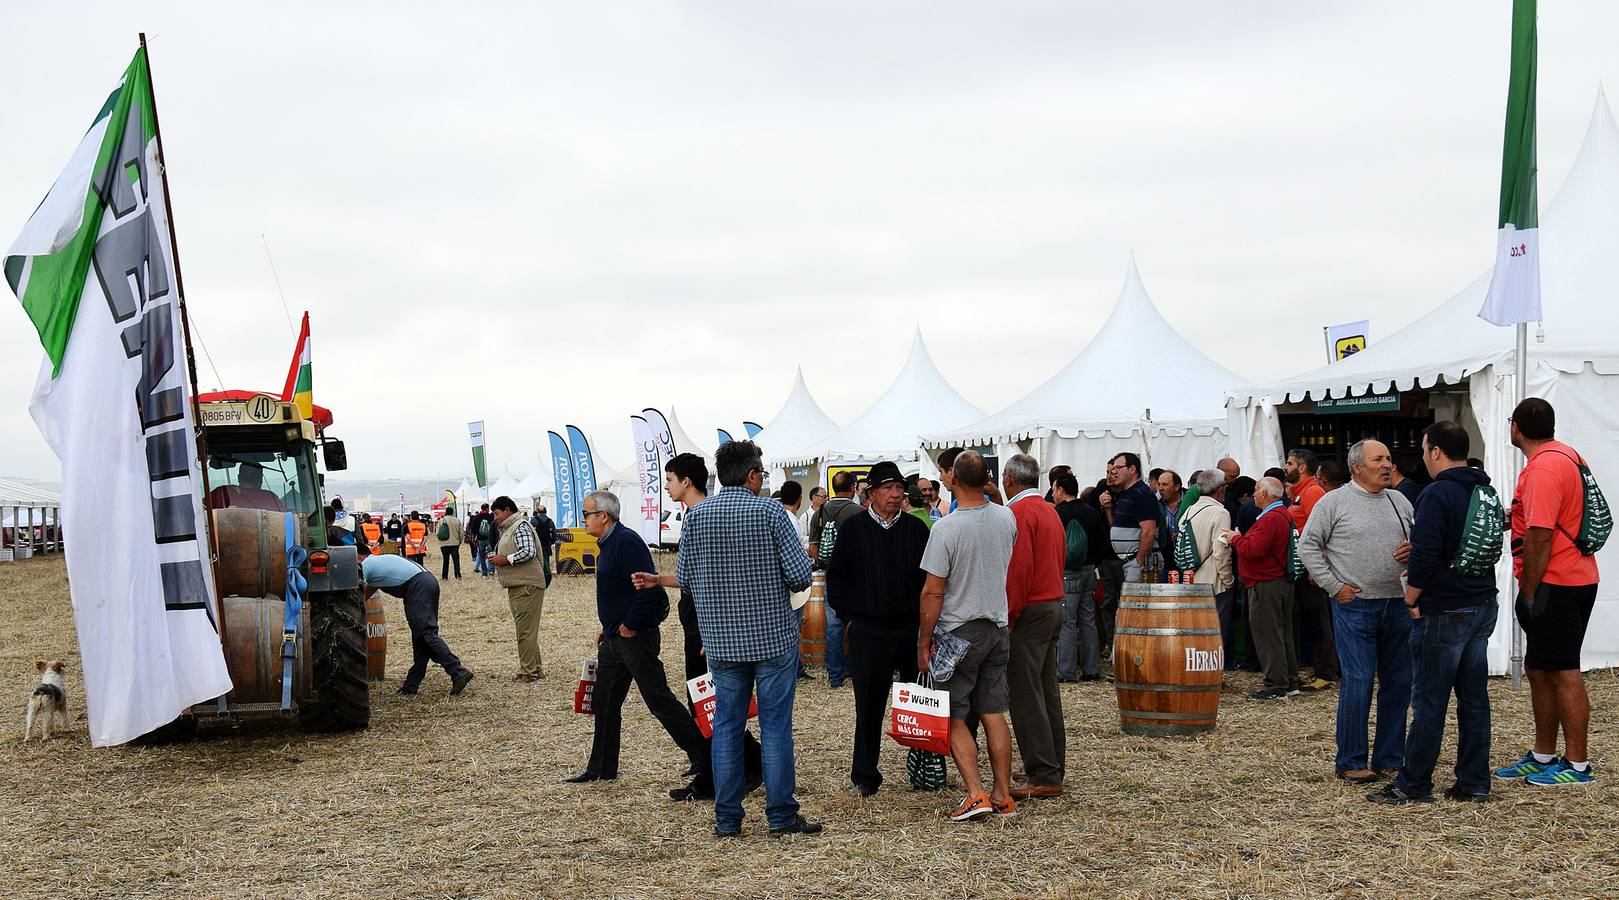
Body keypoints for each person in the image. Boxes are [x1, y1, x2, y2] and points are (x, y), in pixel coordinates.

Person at [677, 441, 820, 837]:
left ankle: (727, 819)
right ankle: (780, 816)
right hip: (772, 638)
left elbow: (686, 578)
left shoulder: (698, 516)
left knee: (726, 726)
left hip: (722, 641)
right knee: (775, 727)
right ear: (753, 475)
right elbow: (799, 576)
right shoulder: (771, 511)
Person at [1369, 422, 1500, 804]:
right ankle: (1474, 782)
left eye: (1425, 450)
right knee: (1474, 700)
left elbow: (1425, 556)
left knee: (1429, 700)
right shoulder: (1484, 489)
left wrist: (1411, 598)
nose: (1424, 458)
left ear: (1436, 451)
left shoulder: (1436, 494)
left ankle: (1414, 783)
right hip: (1481, 602)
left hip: (1444, 608)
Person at [632, 453, 765, 797]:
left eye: (670, 479)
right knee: (706, 701)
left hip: (708, 627)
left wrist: (709, 629)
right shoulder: (696, 514)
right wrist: (658, 579)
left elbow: (714, 581)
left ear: (687, 481)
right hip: (702, 623)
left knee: (709, 702)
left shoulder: (702, 517)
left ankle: (736, 768)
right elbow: (694, 577)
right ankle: (730, 766)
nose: (666, 485)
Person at [567, 490, 713, 800]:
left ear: (603, 516)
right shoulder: (607, 544)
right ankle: (601, 767)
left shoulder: (626, 541)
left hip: (635, 637)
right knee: (604, 702)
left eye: (587, 513)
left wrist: (629, 625)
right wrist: (607, 628)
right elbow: (620, 591)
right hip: (613, 640)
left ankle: (704, 758)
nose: (584, 519)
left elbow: (648, 588)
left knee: (658, 699)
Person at [1495, 398, 1601, 786]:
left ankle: (1577, 765)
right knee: (1539, 668)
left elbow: (1540, 533)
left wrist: (1529, 589)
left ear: (1517, 428)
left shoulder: (1544, 467)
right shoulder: (1568, 455)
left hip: (1558, 580)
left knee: (1563, 670)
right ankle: (1543, 755)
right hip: (1571, 575)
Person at [1298, 439, 1414, 784]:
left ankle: (1389, 757)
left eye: (1389, 459)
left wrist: (1414, 548)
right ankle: (1351, 760)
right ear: (1356, 467)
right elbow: (1308, 546)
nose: (1386, 465)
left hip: (1398, 603)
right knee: (1359, 681)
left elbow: (1419, 536)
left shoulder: (1399, 500)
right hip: (1356, 606)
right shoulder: (1334, 502)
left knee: (1398, 683)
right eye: (1378, 459)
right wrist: (1335, 586)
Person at [918, 450, 1020, 821]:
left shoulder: (946, 528)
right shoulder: (1006, 517)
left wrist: (923, 642)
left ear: (955, 480)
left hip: (958, 631)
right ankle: (1002, 794)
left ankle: (976, 793)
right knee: (994, 711)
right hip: (996, 626)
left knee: (955, 715)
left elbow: (933, 592)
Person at [823, 460, 929, 797]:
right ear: (871, 494)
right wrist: (849, 617)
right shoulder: (854, 528)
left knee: (918, 702)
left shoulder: (916, 530)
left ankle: (924, 770)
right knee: (869, 706)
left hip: (909, 628)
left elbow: (930, 580)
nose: (896, 495)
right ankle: (865, 776)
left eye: (899, 488)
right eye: (888, 488)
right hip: (868, 629)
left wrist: (927, 624)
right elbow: (836, 576)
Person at [1000, 454, 1067, 800]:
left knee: (1025, 694)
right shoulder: (1048, 510)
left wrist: (1007, 618)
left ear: (1008, 480)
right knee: (1045, 690)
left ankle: (1042, 771)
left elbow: (1018, 571)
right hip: (1052, 601)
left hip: (1031, 609)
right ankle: (1051, 765)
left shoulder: (1020, 514)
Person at [360, 549, 473, 696]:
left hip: (418, 586)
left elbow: (354, 585)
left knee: (426, 634)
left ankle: (458, 671)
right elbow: (366, 593)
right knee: (420, 636)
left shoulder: (367, 564)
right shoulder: (378, 566)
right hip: (426, 582)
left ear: (360, 556)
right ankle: (412, 684)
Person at [1229, 477, 1299, 700]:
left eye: (1258, 490)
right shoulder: (1282, 515)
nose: (1254, 494)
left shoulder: (1270, 519)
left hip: (1266, 583)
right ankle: (1289, 681)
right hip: (1278, 582)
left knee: (1268, 635)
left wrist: (1235, 539)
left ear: (1267, 495)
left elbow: (1253, 549)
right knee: (1282, 633)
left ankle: (1275, 685)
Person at [1286, 448, 1339, 689]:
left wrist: (1316, 570)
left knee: (1320, 620)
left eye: (1289, 463)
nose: (1286, 467)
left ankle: (1326, 673)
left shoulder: (1312, 493)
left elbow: (1324, 535)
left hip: (1313, 571)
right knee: (1312, 619)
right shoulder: (1298, 494)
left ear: (1302, 468)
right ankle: (1321, 668)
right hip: (1304, 569)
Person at [808, 472, 862, 688]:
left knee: (832, 625)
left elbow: (813, 548)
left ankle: (835, 676)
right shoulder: (859, 513)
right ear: (852, 488)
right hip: (856, 575)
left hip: (831, 575)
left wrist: (825, 562)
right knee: (858, 622)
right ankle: (857, 670)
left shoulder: (819, 512)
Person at [487, 495, 547, 682]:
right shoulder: (511, 527)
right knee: (526, 629)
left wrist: (504, 560)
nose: (495, 517)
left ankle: (529, 671)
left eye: (497, 513)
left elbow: (528, 552)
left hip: (526, 585)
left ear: (507, 510)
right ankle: (534, 668)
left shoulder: (519, 526)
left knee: (525, 631)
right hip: (520, 585)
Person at [1052, 473, 1104, 682]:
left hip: (1067, 572)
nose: (1053, 494)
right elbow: (1102, 541)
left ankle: (1066, 671)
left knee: (1067, 622)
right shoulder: (1091, 512)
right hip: (1089, 570)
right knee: (1088, 620)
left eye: (1054, 489)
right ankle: (1092, 669)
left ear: (1061, 490)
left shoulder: (1058, 513)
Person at [1180, 468, 1235, 656]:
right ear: (1220, 489)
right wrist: (1228, 580)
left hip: (1191, 580)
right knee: (1216, 633)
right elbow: (1221, 551)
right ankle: (1215, 676)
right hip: (1215, 582)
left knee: (1196, 631)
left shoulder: (1188, 511)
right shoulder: (1221, 513)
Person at [1102, 452, 1159, 584]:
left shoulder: (1141, 493)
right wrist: (1108, 508)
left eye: (1118, 468)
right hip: (1129, 562)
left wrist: (1139, 560)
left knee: (1136, 602)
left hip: (1138, 562)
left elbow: (1149, 531)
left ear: (1132, 469)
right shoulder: (1125, 493)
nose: (1114, 472)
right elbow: (1115, 527)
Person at [206, 462, 284, 511]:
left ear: (239, 477)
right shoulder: (270, 498)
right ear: (260, 479)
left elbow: (199, 513)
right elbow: (288, 524)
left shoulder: (222, 492)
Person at [530, 504, 557, 579]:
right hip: (546, 545)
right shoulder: (550, 521)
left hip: (536, 545)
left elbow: (530, 533)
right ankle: (547, 574)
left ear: (537, 511)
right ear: (546, 511)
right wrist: (551, 542)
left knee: (537, 561)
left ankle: (538, 575)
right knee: (546, 560)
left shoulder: (533, 521)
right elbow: (554, 534)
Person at [468, 504, 495, 576]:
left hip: (480, 539)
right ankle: (491, 570)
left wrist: (477, 535)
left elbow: (473, 529)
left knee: (482, 555)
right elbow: (495, 527)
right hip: (490, 539)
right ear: (487, 509)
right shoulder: (491, 516)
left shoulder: (477, 517)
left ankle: (484, 572)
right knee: (491, 554)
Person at [437, 505, 464, 578]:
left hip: (444, 544)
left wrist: (440, 541)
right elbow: (461, 533)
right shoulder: (457, 520)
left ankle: (444, 576)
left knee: (446, 560)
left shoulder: (441, 521)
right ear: (452, 512)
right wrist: (460, 541)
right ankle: (457, 575)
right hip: (455, 543)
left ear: (446, 512)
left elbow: (437, 533)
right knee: (456, 561)